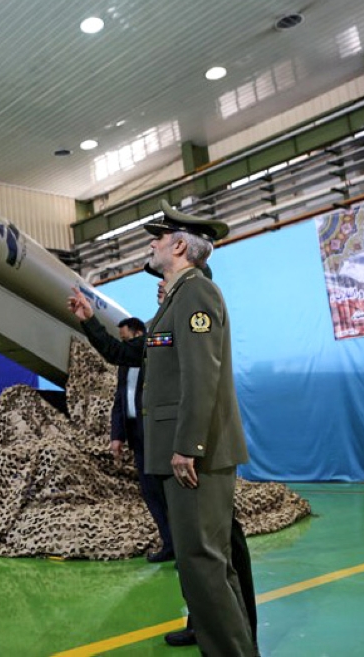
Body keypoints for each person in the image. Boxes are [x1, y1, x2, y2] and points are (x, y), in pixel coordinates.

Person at [68, 199, 255, 656]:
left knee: (204, 563)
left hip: (195, 453)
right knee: (204, 562)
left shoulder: (196, 294)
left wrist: (188, 446)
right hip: (179, 452)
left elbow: (201, 374)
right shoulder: (175, 299)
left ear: (177, 245)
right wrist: (91, 324)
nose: (151, 244)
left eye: (158, 237)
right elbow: (134, 356)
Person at [110, 316, 175, 563]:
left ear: (139, 334)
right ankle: (169, 544)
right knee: (150, 492)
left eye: (125, 337)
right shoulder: (125, 363)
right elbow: (120, 398)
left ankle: (185, 548)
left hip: (156, 432)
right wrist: (117, 435)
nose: (122, 343)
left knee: (168, 492)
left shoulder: (155, 354)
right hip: (136, 433)